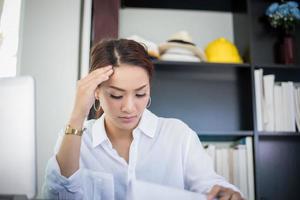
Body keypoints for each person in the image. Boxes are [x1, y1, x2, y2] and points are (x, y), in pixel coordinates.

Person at [42, 39, 244, 200]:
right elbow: (57, 195)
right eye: (116, 95)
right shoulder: (76, 138)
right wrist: (77, 114)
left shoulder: (178, 135)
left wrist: (226, 192)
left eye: (140, 94)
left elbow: (208, 184)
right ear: (96, 92)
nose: (129, 107)